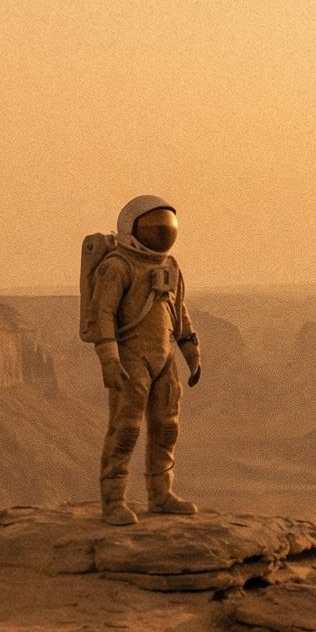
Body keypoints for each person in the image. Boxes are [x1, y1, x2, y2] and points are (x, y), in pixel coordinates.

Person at [89, 194, 203, 525]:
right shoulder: (118, 266)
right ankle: (113, 500)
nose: (161, 233)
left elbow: (178, 310)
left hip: (164, 356)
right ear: (132, 228)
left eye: (165, 227)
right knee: (125, 429)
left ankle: (161, 494)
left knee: (166, 427)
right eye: (153, 228)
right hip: (131, 357)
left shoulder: (169, 266)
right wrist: (109, 358)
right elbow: (103, 314)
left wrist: (191, 353)